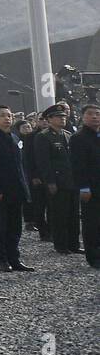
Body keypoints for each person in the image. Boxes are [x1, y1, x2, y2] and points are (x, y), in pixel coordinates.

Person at [0, 104, 34, 273]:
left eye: (10, 116)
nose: (7, 119)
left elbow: (20, 166)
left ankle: (14, 258)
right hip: (0, 192)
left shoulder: (14, 137)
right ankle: (1, 259)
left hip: (16, 189)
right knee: (0, 227)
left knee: (15, 227)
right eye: (3, 115)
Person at [35, 106, 80, 255]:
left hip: (71, 180)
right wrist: (50, 181)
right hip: (57, 181)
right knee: (59, 214)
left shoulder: (68, 134)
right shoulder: (44, 136)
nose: (62, 118)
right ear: (49, 119)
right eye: (58, 116)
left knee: (73, 214)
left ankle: (73, 243)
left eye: (63, 116)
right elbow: (43, 162)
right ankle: (61, 245)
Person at [71, 103, 100, 268]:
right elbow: (78, 166)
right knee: (92, 223)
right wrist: (84, 187)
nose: (95, 117)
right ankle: (93, 256)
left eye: (97, 113)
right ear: (83, 117)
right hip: (90, 188)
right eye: (91, 114)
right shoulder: (79, 138)